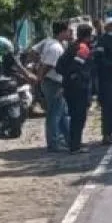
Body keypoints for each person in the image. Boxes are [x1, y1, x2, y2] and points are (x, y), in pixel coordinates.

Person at [36, 21, 74, 152]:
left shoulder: (56, 44)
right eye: (68, 30)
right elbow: (47, 66)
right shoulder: (55, 48)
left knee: (62, 113)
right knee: (54, 114)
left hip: (56, 83)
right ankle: (54, 143)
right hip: (53, 83)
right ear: (62, 32)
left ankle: (68, 140)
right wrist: (39, 80)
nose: (70, 33)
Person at [59, 25, 94, 154]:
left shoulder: (72, 46)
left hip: (69, 87)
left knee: (74, 116)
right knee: (79, 117)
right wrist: (75, 78)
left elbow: (59, 66)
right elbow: (77, 67)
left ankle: (75, 143)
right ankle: (75, 146)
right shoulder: (83, 48)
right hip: (79, 88)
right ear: (88, 35)